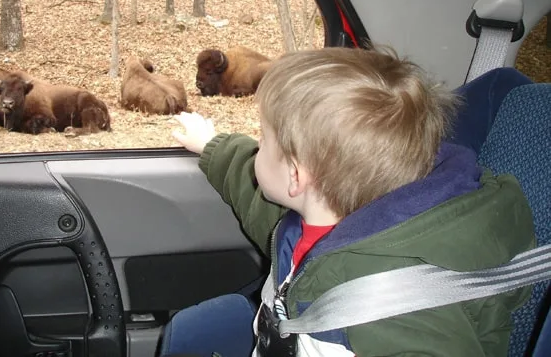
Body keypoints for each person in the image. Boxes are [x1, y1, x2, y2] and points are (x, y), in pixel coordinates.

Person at [163, 47, 536, 357]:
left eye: (264, 138)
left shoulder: (399, 306)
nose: (258, 146)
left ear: (296, 175)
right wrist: (213, 145)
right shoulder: (309, 220)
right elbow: (254, 194)